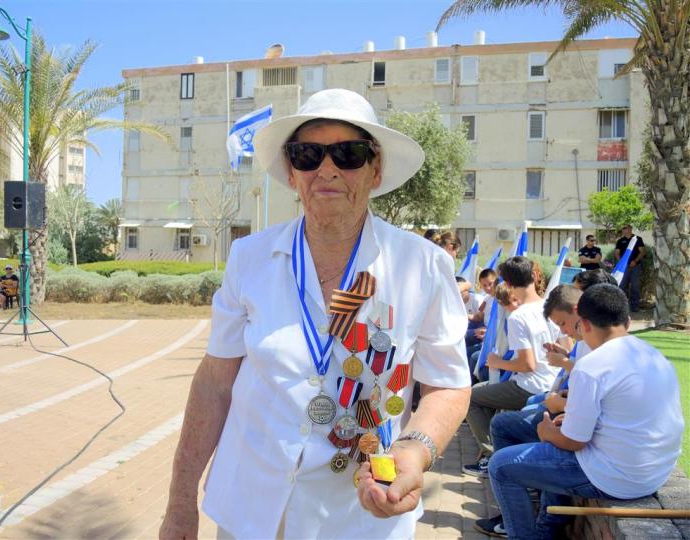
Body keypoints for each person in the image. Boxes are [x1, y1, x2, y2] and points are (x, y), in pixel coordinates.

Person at [159, 88, 472, 540]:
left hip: (360, 515)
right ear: (292, 172)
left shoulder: (423, 265)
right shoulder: (249, 258)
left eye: (348, 153)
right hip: (250, 509)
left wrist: (415, 449)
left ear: (376, 169)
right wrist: (179, 501)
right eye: (307, 154)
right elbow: (214, 384)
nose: (326, 169)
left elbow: (448, 385)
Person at [488, 284, 684, 540]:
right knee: (545, 448)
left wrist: (546, 433)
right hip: (654, 473)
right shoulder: (655, 356)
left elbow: (573, 442)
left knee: (500, 466)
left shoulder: (592, 366)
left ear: (586, 324)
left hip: (616, 478)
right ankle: (546, 526)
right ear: (626, 320)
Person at [474, 285, 587, 537]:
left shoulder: (599, 353)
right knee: (515, 420)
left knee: (502, 463)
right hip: (565, 412)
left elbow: (577, 437)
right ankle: (525, 501)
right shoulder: (601, 346)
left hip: (601, 467)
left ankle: (541, 522)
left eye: (563, 324)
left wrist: (551, 427)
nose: (563, 331)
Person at [462, 257, 560, 478]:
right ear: (535, 276)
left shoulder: (518, 317)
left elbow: (527, 364)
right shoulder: (550, 306)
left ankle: (491, 456)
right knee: (481, 392)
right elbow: (566, 348)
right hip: (552, 382)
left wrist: (498, 362)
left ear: (507, 283)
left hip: (530, 385)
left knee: (470, 398)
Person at [614, 224, 645, 311]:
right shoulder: (620, 241)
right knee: (622, 286)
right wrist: (622, 263)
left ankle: (635, 306)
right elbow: (617, 253)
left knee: (635, 286)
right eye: (622, 228)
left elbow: (642, 252)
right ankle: (622, 307)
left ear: (630, 229)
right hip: (624, 268)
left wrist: (635, 261)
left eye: (625, 228)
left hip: (635, 266)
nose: (623, 230)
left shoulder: (637, 239)